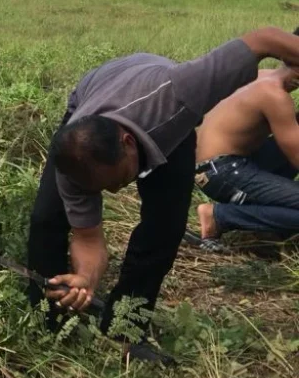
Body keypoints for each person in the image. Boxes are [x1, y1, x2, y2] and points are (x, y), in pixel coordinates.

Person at [26, 27, 299, 333]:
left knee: (165, 227)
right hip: (95, 90)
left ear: (129, 143)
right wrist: (87, 278)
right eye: (102, 189)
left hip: (159, 106)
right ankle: (47, 316)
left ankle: (126, 328)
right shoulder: (74, 163)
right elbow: (89, 238)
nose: (115, 191)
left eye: (118, 180)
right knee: (47, 217)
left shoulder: (182, 91)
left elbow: (262, 39)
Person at [193, 59, 299, 239]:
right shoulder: (275, 95)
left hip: (222, 163)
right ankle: (219, 217)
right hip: (222, 172)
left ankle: (270, 222)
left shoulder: (260, 76)